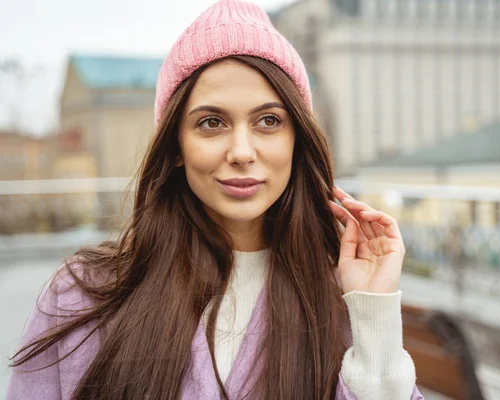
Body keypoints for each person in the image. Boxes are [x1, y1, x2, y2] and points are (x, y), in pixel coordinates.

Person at [7, 1, 424, 399]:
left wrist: (373, 312)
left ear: (298, 140)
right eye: (211, 122)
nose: (242, 152)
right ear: (175, 147)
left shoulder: (340, 303)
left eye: (269, 121)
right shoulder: (82, 295)